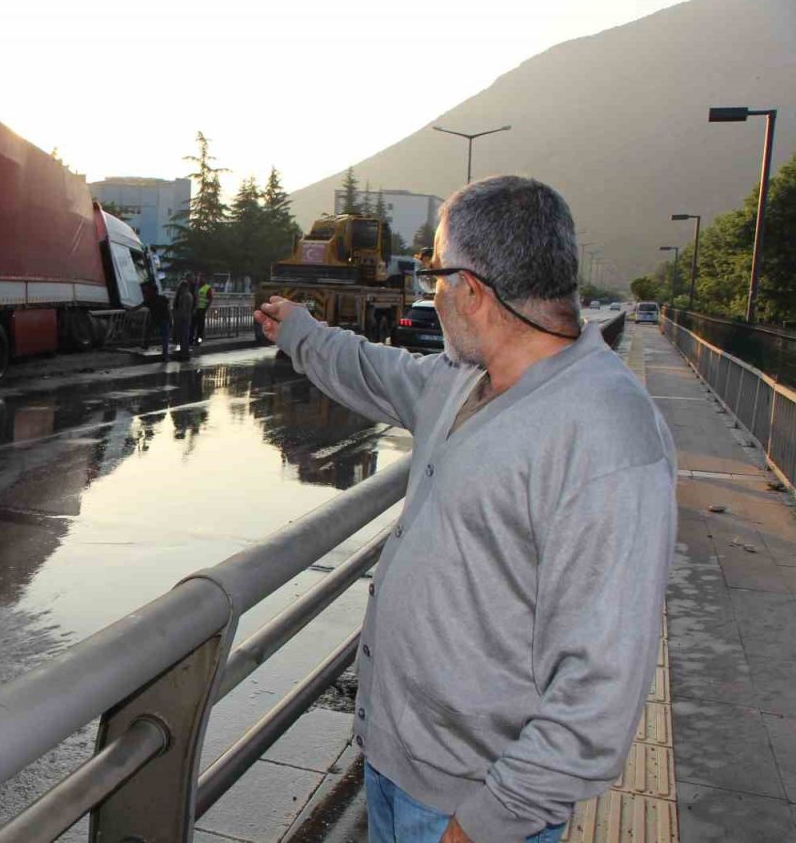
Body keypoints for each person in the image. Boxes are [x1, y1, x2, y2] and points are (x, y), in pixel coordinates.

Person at [254, 176, 675, 843]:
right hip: (392, 771)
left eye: (438, 278)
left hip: (473, 811)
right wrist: (301, 331)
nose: (433, 294)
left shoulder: (608, 437)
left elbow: (598, 694)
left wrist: (481, 825)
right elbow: (373, 369)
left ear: (473, 290)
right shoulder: (462, 381)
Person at [142, 282, 171, 360]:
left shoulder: (150, 300)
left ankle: (146, 345)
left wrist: (130, 310)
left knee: (150, 331)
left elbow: (139, 306)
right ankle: (165, 354)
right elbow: (168, 308)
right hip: (163, 318)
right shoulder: (162, 298)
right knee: (164, 337)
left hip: (159, 319)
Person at [172, 278, 194, 360]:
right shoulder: (190, 295)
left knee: (183, 335)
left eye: (180, 287)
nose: (180, 289)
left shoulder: (184, 296)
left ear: (183, 287)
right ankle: (185, 351)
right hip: (188, 317)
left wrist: (178, 317)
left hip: (183, 318)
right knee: (185, 335)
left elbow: (183, 308)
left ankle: (184, 352)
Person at [193, 275, 214, 345]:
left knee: (200, 327)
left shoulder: (207, 288)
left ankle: (199, 340)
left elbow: (210, 299)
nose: (199, 279)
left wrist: (206, 308)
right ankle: (194, 339)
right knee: (194, 325)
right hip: (195, 309)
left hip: (202, 309)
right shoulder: (196, 287)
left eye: (201, 278)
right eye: (199, 278)